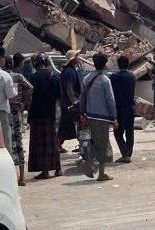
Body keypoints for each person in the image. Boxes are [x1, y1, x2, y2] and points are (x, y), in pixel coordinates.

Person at [80, 53, 117, 182]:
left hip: (88, 115)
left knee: (91, 142)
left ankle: (89, 164)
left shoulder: (86, 79)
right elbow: (110, 100)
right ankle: (101, 173)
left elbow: (82, 98)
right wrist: (114, 118)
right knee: (102, 145)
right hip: (102, 118)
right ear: (105, 64)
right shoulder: (105, 80)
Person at [27, 54, 63, 179]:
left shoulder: (33, 77)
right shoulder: (54, 76)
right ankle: (58, 169)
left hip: (37, 114)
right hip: (51, 113)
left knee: (40, 144)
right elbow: (59, 97)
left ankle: (45, 171)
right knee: (53, 142)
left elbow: (29, 97)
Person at [5, 57, 32, 186]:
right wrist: (24, 103)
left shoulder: (3, 77)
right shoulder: (18, 77)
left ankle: (9, 177)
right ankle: (21, 178)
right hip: (16, 112)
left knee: (6, 144)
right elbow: (30, 88)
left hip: (3, 113)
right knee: (18, 143)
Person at [110, 55, 137, 163]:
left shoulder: (114, 77)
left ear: (118, 64)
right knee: (129, 132)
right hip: (130, 106)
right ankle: (128, 153)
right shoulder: (132, 76)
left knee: (118, 132)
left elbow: (111, 93)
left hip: (118, 108)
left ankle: (125, 154)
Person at [58, 51, 82, 152]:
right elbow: (69, 88)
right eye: (77, 56)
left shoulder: (70, 70)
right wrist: (74, 102)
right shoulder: (70, 72)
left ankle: (81, 144)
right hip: (70, 103)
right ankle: (58, 144)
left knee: (68, 124)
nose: (79, 58)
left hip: (67, 102)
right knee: (73, 123)